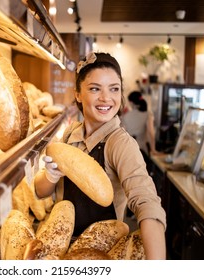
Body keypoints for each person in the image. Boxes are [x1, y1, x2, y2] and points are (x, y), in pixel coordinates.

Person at [34, 52, 166, 260]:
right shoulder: (70, 135)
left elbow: (147, 203)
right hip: (60, 244)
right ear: (78, 94)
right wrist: (50, 175)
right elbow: (41, 192)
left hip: (101, 253)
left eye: (114, 89)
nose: (106, 98)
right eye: (95, 89)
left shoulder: (120, 144)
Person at [121, 91, 161, 159]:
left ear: (131, 102)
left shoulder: (125, 116)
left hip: (127, 151)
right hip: (141, 150)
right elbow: (151, 133)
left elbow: (122, 134)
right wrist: (153, 149)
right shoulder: (148, 114)